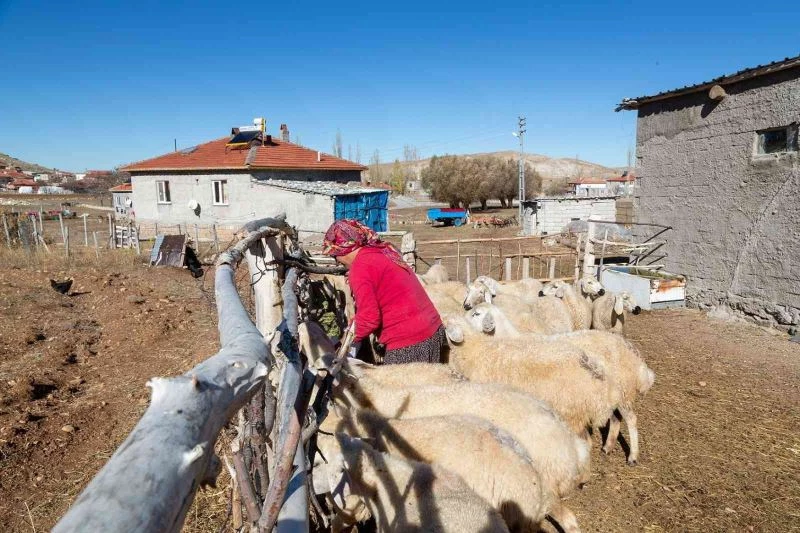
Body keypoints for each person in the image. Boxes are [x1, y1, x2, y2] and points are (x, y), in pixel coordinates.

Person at [322, 219, 447, 364]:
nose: (337, 261)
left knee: (399, 386)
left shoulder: (360, 267)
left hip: (409, 344)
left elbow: (369, 318)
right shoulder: (381, 251)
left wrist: (347, 340)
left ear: (345, 248)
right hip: (432, 330)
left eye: (335, 255)